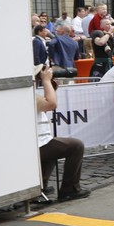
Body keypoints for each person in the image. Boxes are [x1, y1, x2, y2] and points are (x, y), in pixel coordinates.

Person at [35, 65, 90, 201]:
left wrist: (50, 86)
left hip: (40, 142)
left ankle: (41, 186)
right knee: (76, 146)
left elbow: (46, 105)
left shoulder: (27, 95)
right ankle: (69, 190)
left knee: (54, 148)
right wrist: (46, 81)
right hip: (38, 144)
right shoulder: (28, 96)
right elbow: (51, 104)